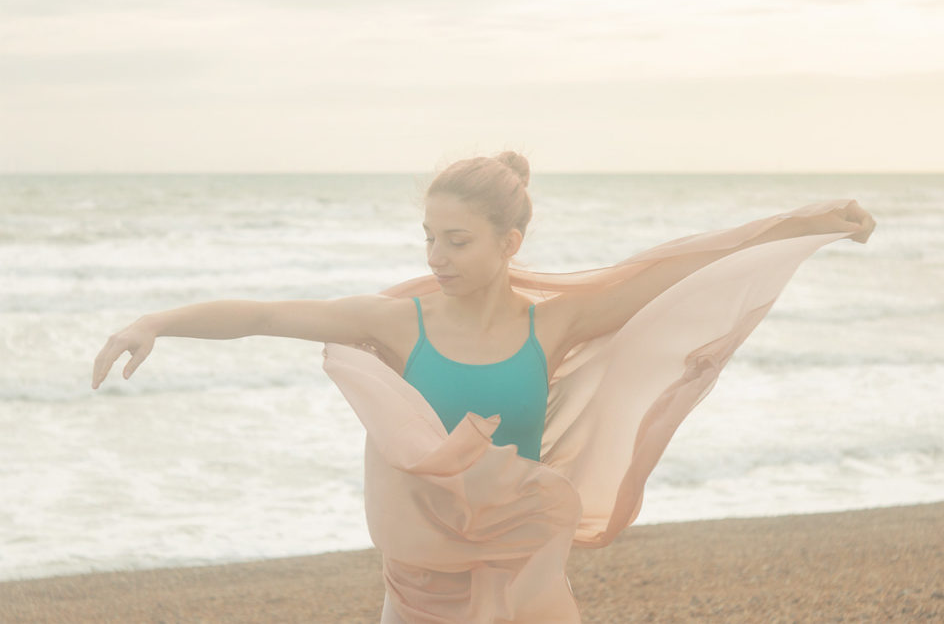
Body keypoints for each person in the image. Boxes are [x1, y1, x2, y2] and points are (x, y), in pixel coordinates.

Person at [92, 151, 875, 622]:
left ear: (510, 243)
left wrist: (798, 224)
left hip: (522, 576)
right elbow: (265, 312)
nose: (437, 254)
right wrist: (157, 320)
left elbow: (673, 271)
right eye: (428, 236)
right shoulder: (399, 322)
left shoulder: (556, 324)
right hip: (422, 582)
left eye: (457, 239)